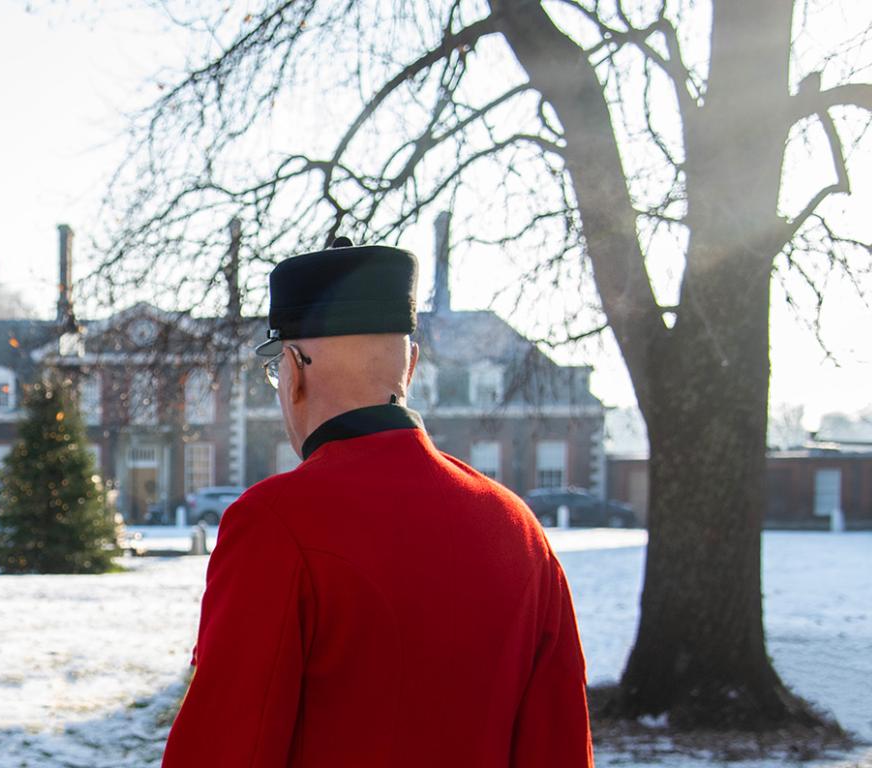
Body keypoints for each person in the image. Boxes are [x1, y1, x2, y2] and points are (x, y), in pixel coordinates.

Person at [162, 240, 592, 766]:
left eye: (277, 370)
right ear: (408, 367)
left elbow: (225, 746)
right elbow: (560, 743)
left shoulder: (275, 522)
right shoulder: (518, 528)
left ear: (293, 371)